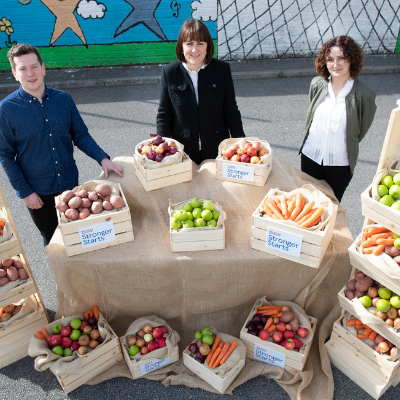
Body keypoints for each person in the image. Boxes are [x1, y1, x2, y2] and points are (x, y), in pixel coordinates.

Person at [0, 44, 123, 246]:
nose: (30, 73)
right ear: (14, 74)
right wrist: (25, 192)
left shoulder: (63, 99)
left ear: (43, 68)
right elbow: (5, 156)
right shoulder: (6, 110)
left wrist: (103, 158)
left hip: (71, 186)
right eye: (23, 69)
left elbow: (81, 135)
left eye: (34, 66)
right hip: (38, 193)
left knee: (80, 238)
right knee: (53, 242)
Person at [299, 36, 377, 202]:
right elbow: (312, 116)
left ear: (351, 59)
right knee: (306, 205)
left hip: (340, 164)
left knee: (330, 207)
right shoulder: (317, 84)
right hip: (310, 157)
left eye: (341, 58)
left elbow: (360, 131)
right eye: (330, 59)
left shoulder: (364, 94)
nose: (335, 64)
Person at [157, 19, 245, 164]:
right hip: (182, 152)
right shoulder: (170, 73)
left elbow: (231, 110)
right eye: (189, 43)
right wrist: (162, 146)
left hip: (217, 150)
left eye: (200, 43)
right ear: (181, 46)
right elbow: (164, 114)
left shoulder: (222, 70)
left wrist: (240, 140)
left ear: (207, 46)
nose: (194, 49)